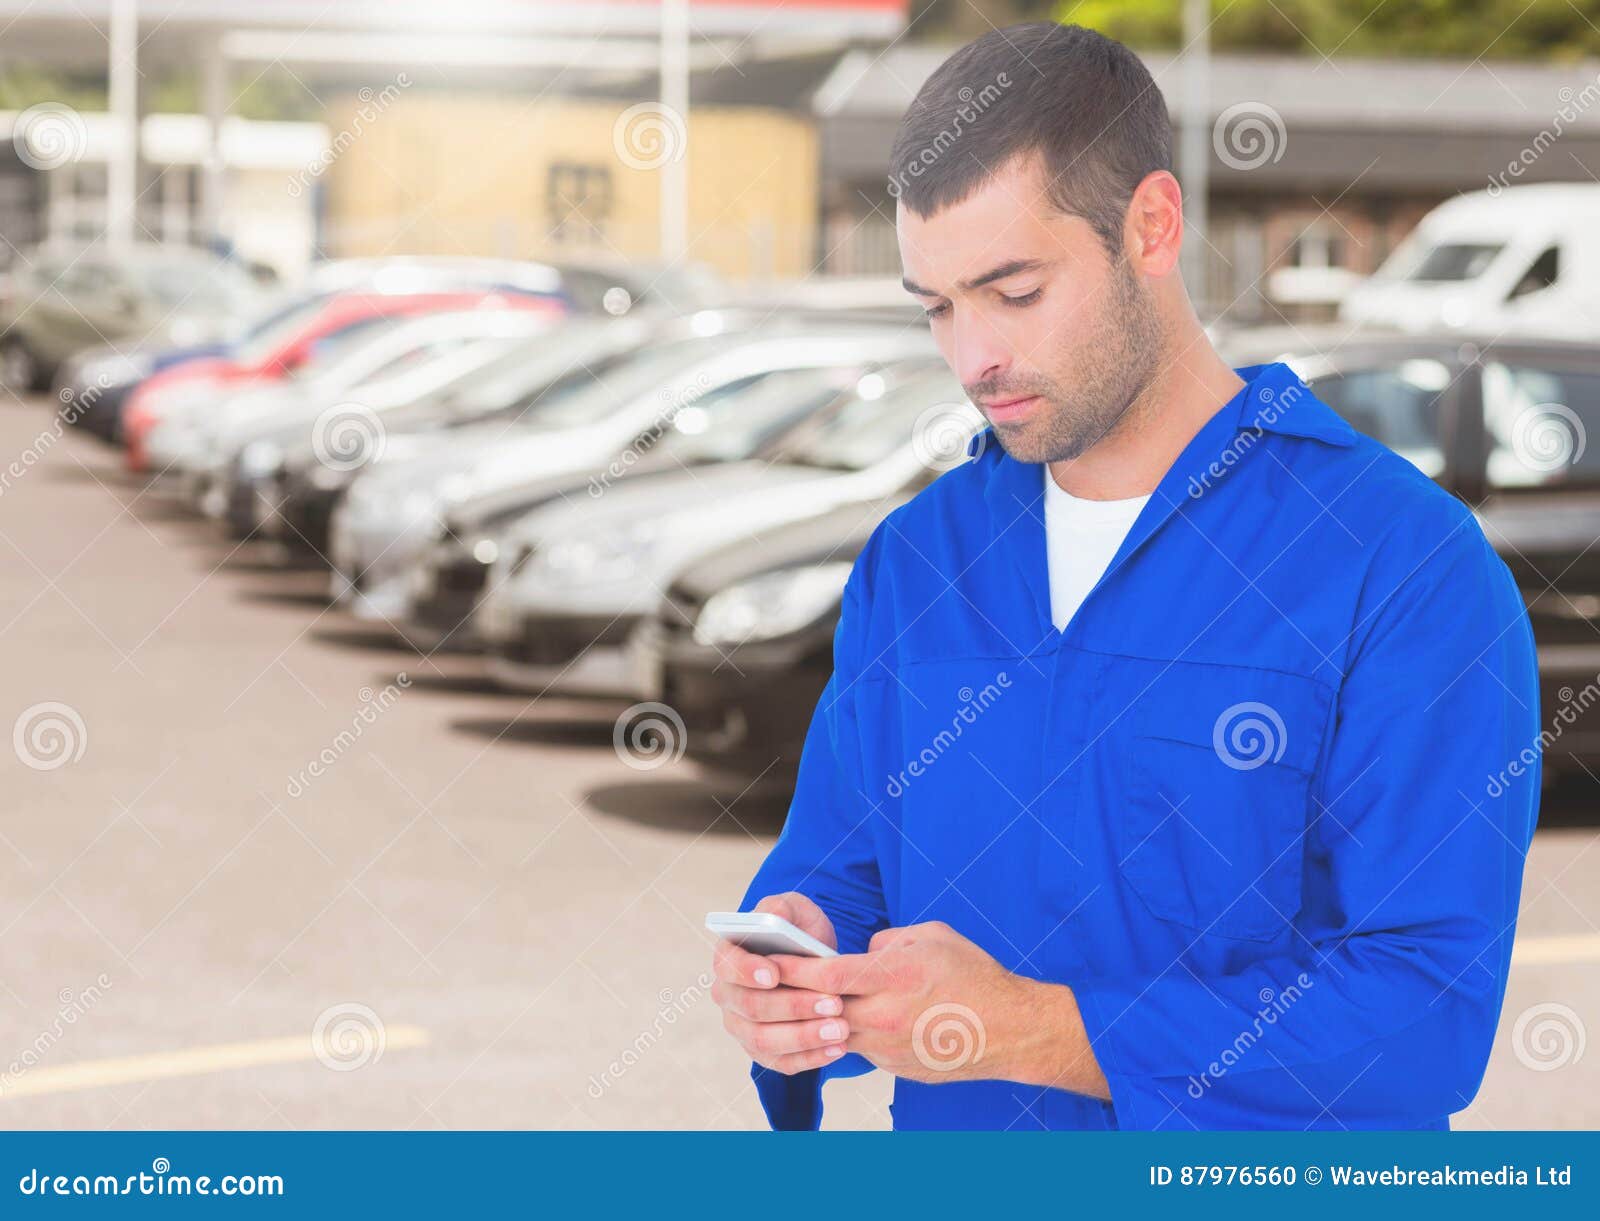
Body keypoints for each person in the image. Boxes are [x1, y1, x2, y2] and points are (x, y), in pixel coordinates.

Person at [710, 21, 1540, 1130]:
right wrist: (795, 967)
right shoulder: (918, 561)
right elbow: (841, 869)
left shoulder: (1398, 567)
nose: (972, 359)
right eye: (937, 306)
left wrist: (1041, 1031)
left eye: (1012, 292)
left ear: (1151, 225)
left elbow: (1421, 1018)